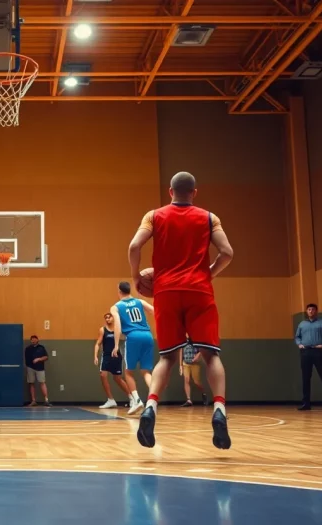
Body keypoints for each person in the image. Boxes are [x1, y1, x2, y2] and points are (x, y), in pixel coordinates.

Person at [128, 171, 234, 450]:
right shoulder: (210, 218)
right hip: (200, 291)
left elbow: (134, 245)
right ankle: (219, 410)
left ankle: (150, 406)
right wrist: (208, 273)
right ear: (195, 192)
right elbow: (228, 253)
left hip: (166, 292)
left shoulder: (153, 216)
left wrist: (136, 276)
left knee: (166, 358)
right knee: (211, 356)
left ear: (170, 191)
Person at [109, 281, 155, 415]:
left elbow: (117, 325)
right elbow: (154, 311)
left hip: (133, 337)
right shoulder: (140, 302)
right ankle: (153, 401)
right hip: (148, 335)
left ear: (119, 291)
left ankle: (137, 400)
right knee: (146, 371)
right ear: (129, 290)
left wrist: (116, 345)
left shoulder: (116, 307)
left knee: (128, 372)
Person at [295, 303, 322, 411]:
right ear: (306, 311)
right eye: (309, 309)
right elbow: (297, 337)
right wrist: (299, 344)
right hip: (305, 352)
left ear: (316, 311)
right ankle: (306, 404)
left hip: (318, 351)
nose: (311, 311)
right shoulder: (302, 324)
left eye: (313, 309)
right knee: (305, 378)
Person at [93, 312, 133, 409]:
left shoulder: (117, 329)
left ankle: (132, 398)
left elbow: (126, 336)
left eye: (109, 317)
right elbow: (98, 344)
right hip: (106, 355)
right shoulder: (103, 330)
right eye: (106, 318)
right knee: (102, 374)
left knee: (117, 378)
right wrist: (95, 356)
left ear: (113, 318)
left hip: (116, 355)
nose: (107, 319)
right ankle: (110, 399)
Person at [179, 340, 208, 407]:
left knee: (196, 382)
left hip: (195, 363)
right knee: (187, 380)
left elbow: (201, 349)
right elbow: (181, 351)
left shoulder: (196, 339)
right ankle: (188, 400)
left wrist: (198, 355)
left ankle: (204, 393)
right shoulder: (183, 340)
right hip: (185, 363)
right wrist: (180, 365)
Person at [25, 335, 51, 407]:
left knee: (42, 382)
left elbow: (46, 357)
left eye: (34, 339)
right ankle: (33, 401)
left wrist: (39, 359)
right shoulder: (28, 348)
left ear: (37, 340)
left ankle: (46, 400)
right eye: (32, 339)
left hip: (40, 368)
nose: (33, 340)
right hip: (30, 368)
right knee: (31, 383)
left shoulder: (41, 348)